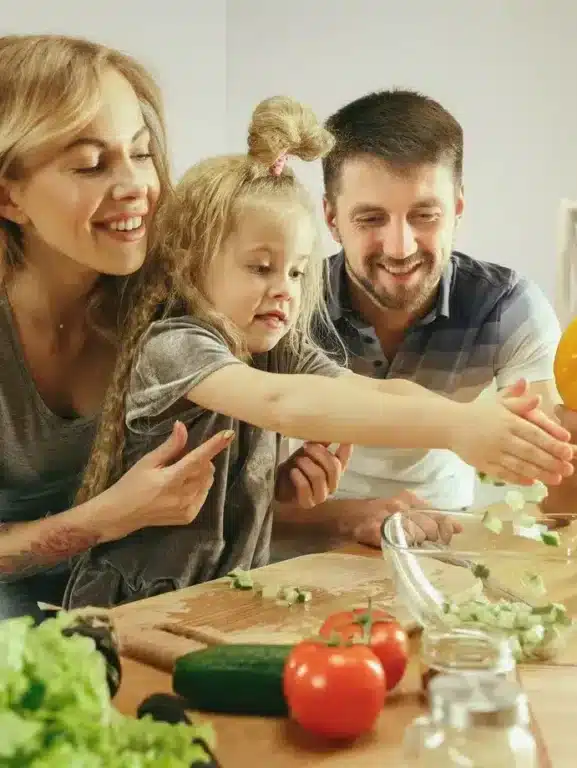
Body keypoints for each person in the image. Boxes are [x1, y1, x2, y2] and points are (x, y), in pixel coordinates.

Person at [63, 95, 573, 609]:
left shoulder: (277, 342)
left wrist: (472, 419)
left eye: (297, 271)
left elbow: (370, 392)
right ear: (190, 261)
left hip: (220, 588)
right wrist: (460, 428)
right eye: (261, 268)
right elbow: (280, 403)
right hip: (129, 599)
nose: (285, 289)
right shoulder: (175, 345)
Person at [0, 33, 235, 620]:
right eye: (90, 163)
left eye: (141, 151)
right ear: (9, 196)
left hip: (127, 617)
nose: (137, 185)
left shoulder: (164, 301)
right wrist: (107, 518)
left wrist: (329, 505)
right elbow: (129, 511)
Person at [280, 88, 564, 545]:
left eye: (424, 216)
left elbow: (559, 468)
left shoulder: (508, 305)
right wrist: (343, 518)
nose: (400, 248)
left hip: (444, 537)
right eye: (371, 219)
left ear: (457, 210)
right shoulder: (285, 305)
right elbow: (231, 508)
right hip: (307, 540)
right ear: (331, 219)